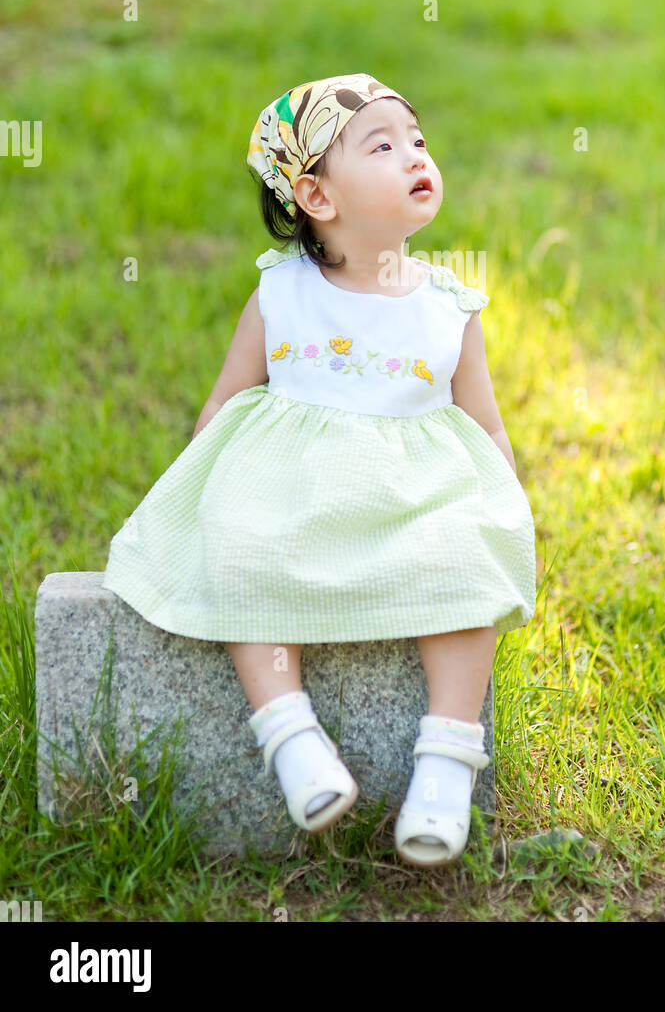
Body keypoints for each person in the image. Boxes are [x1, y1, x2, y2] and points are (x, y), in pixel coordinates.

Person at [102, 72, 537, 868]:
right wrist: (197, 500)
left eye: (418, 140)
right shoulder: (280, 296)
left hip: (417, 497)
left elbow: (485, 425)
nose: (414, 154)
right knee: (242, 548)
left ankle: (446, 755)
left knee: (463, 564)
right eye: (382, 144)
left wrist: (501, 508)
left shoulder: (450, 308)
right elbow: (225, 404)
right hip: (291, 493)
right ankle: (290, 734)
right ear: (316, 195)